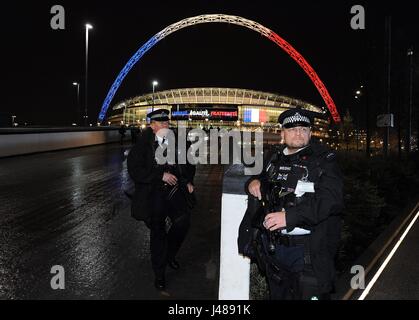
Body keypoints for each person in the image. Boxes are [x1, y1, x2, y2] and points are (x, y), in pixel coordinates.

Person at [238, 108, 344, 300]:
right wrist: (252, 182)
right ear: (283, 133)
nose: (298, 133)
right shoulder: (274, 157)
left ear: (310, 133)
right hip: (274, 249)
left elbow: (331, 200)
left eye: (303, 129)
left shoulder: (324, 160)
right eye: (292, 128)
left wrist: (290, 217)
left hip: (307, 252)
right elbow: (259, 177)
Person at [127, 109, 196, 290]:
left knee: (183, 222)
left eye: (167, 123)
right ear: (152, 125)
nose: (166, 126)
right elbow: (136, 171)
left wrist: (188, 180)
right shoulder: (142, 145)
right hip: (153, 192)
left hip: (173, 191)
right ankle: (159, 274)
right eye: (161, 123)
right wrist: (160, 175)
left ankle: (169, 254)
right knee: (158, 231)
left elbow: (189, 163)